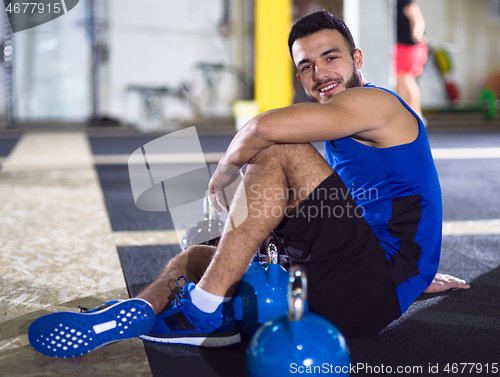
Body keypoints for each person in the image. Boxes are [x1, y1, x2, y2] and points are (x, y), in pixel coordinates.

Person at [28, 10, 469, 358]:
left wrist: (223, 174)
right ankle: (139, 313)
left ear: (357, 60)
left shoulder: (375, 103)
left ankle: (202, 312)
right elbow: (374, 203)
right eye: (306, 67)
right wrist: (421, 274)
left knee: (279, 150)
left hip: (372, 285)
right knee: (194, 258)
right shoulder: (339, 123)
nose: (320, 74)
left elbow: (261, 128)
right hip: (351, 272)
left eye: (331, 57)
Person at [395, 0, 428, 119]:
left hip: (408, 46)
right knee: (403, 81)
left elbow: (415, 13)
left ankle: (416, 115)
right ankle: (412, 115)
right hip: (404, 45)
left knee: (405, 79)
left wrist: (417, 33)